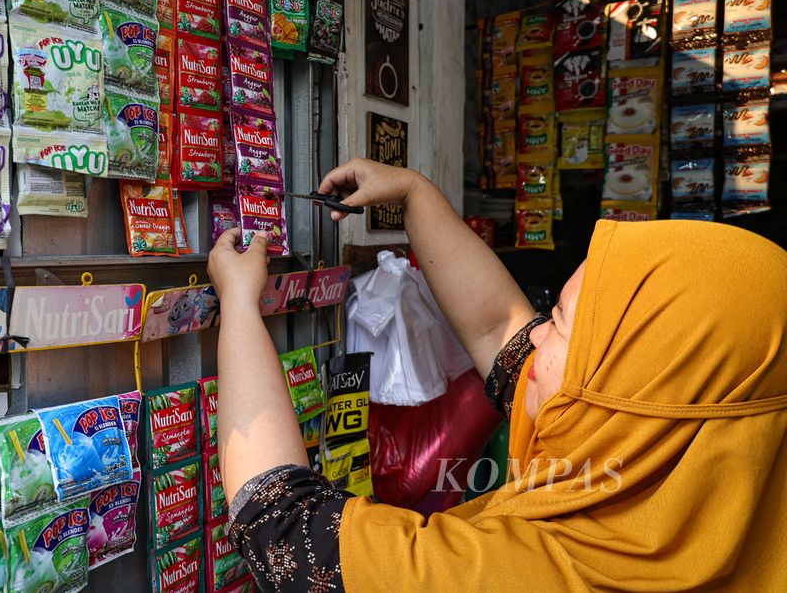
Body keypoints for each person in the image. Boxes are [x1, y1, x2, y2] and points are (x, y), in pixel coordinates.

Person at [207, 158, 787, 591]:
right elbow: (497, 329)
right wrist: (413, 196)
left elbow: (278, 522)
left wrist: (236, 306)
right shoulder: (650, 467)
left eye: (557, 325)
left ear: (631, 399)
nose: (534, 336)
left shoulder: (534, 574)